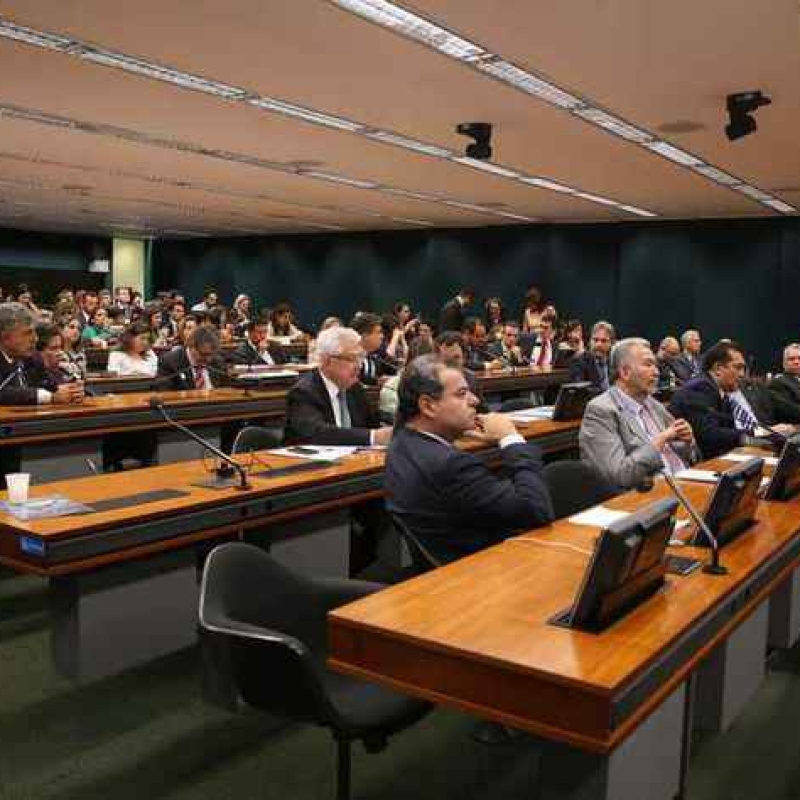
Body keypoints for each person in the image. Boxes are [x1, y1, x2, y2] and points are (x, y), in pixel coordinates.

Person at [384, 354, 553, 563]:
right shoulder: (452, 465)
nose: (475, 400)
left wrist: (455, 435)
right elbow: (536, 511)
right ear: (428, 406)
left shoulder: (401, 443)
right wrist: (510, 438)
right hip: (489, 568)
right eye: (461, 394)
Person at [580, 338, 697, 491]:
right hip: (648, 494)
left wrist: (687, 441)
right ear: (625, 372)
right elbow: (618, 476)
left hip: (684, 483)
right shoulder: (601, 410)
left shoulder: (653, 404)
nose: (656, 372)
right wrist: (660, 440)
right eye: (648, 365)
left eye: (655, 365)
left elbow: (682, 455)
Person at [669, 340, 797, 459]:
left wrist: (768, 436)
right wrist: (763, 432)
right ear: (718, 369)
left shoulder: (720, 391)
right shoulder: (699, 388)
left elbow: (731, 432)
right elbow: (711, 435)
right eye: (738, 367)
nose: (742, 374)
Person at [283, 326, 392, 446]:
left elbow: (373, 423)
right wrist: (372, 437)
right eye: (351, 359)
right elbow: (315, 433)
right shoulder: (304, 392)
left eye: (360, 358)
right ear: (326, 361)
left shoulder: (354, 388)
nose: (359, 366)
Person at [0, 303, 84, 406]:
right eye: (28, 333)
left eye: (34, 332)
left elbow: (50, 385)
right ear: (5, 337)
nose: (35, 339)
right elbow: (3, 393)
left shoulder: (31, 360)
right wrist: (50, 397)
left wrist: (72, 391)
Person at [156, 326, 228, 391]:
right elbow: (166, 393)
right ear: (191, 346)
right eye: (203, 354)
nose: (208, 359)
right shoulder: (170, 362)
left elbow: (227, 388)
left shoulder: (217, 361)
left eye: (211, 354)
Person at [569, 321, 615, 390]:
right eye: (595, 340)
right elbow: (581, 390)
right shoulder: (579, 361)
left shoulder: (615, 361)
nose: (599, 344)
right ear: (590, 341)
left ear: (612, 343)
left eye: (604, 341)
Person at [351, 312, 393, 386]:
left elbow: (391, 369)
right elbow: (355, 380)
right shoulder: (350, 357)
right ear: (364, 336)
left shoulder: (375, 355)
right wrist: (376, 381)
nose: (382, 336)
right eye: (378, 332)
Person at [769, 343, 800, 413]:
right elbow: (791, 411)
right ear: (784, 363)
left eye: (799, 358)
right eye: (791, 359)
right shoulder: (778, 383)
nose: (796, 362)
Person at [58, 315, 87, 379]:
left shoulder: (80, 354)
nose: (76, 331)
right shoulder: (56, 353)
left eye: (79, 329)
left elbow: (83, 376)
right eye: (71, 327)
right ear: (61, 330)